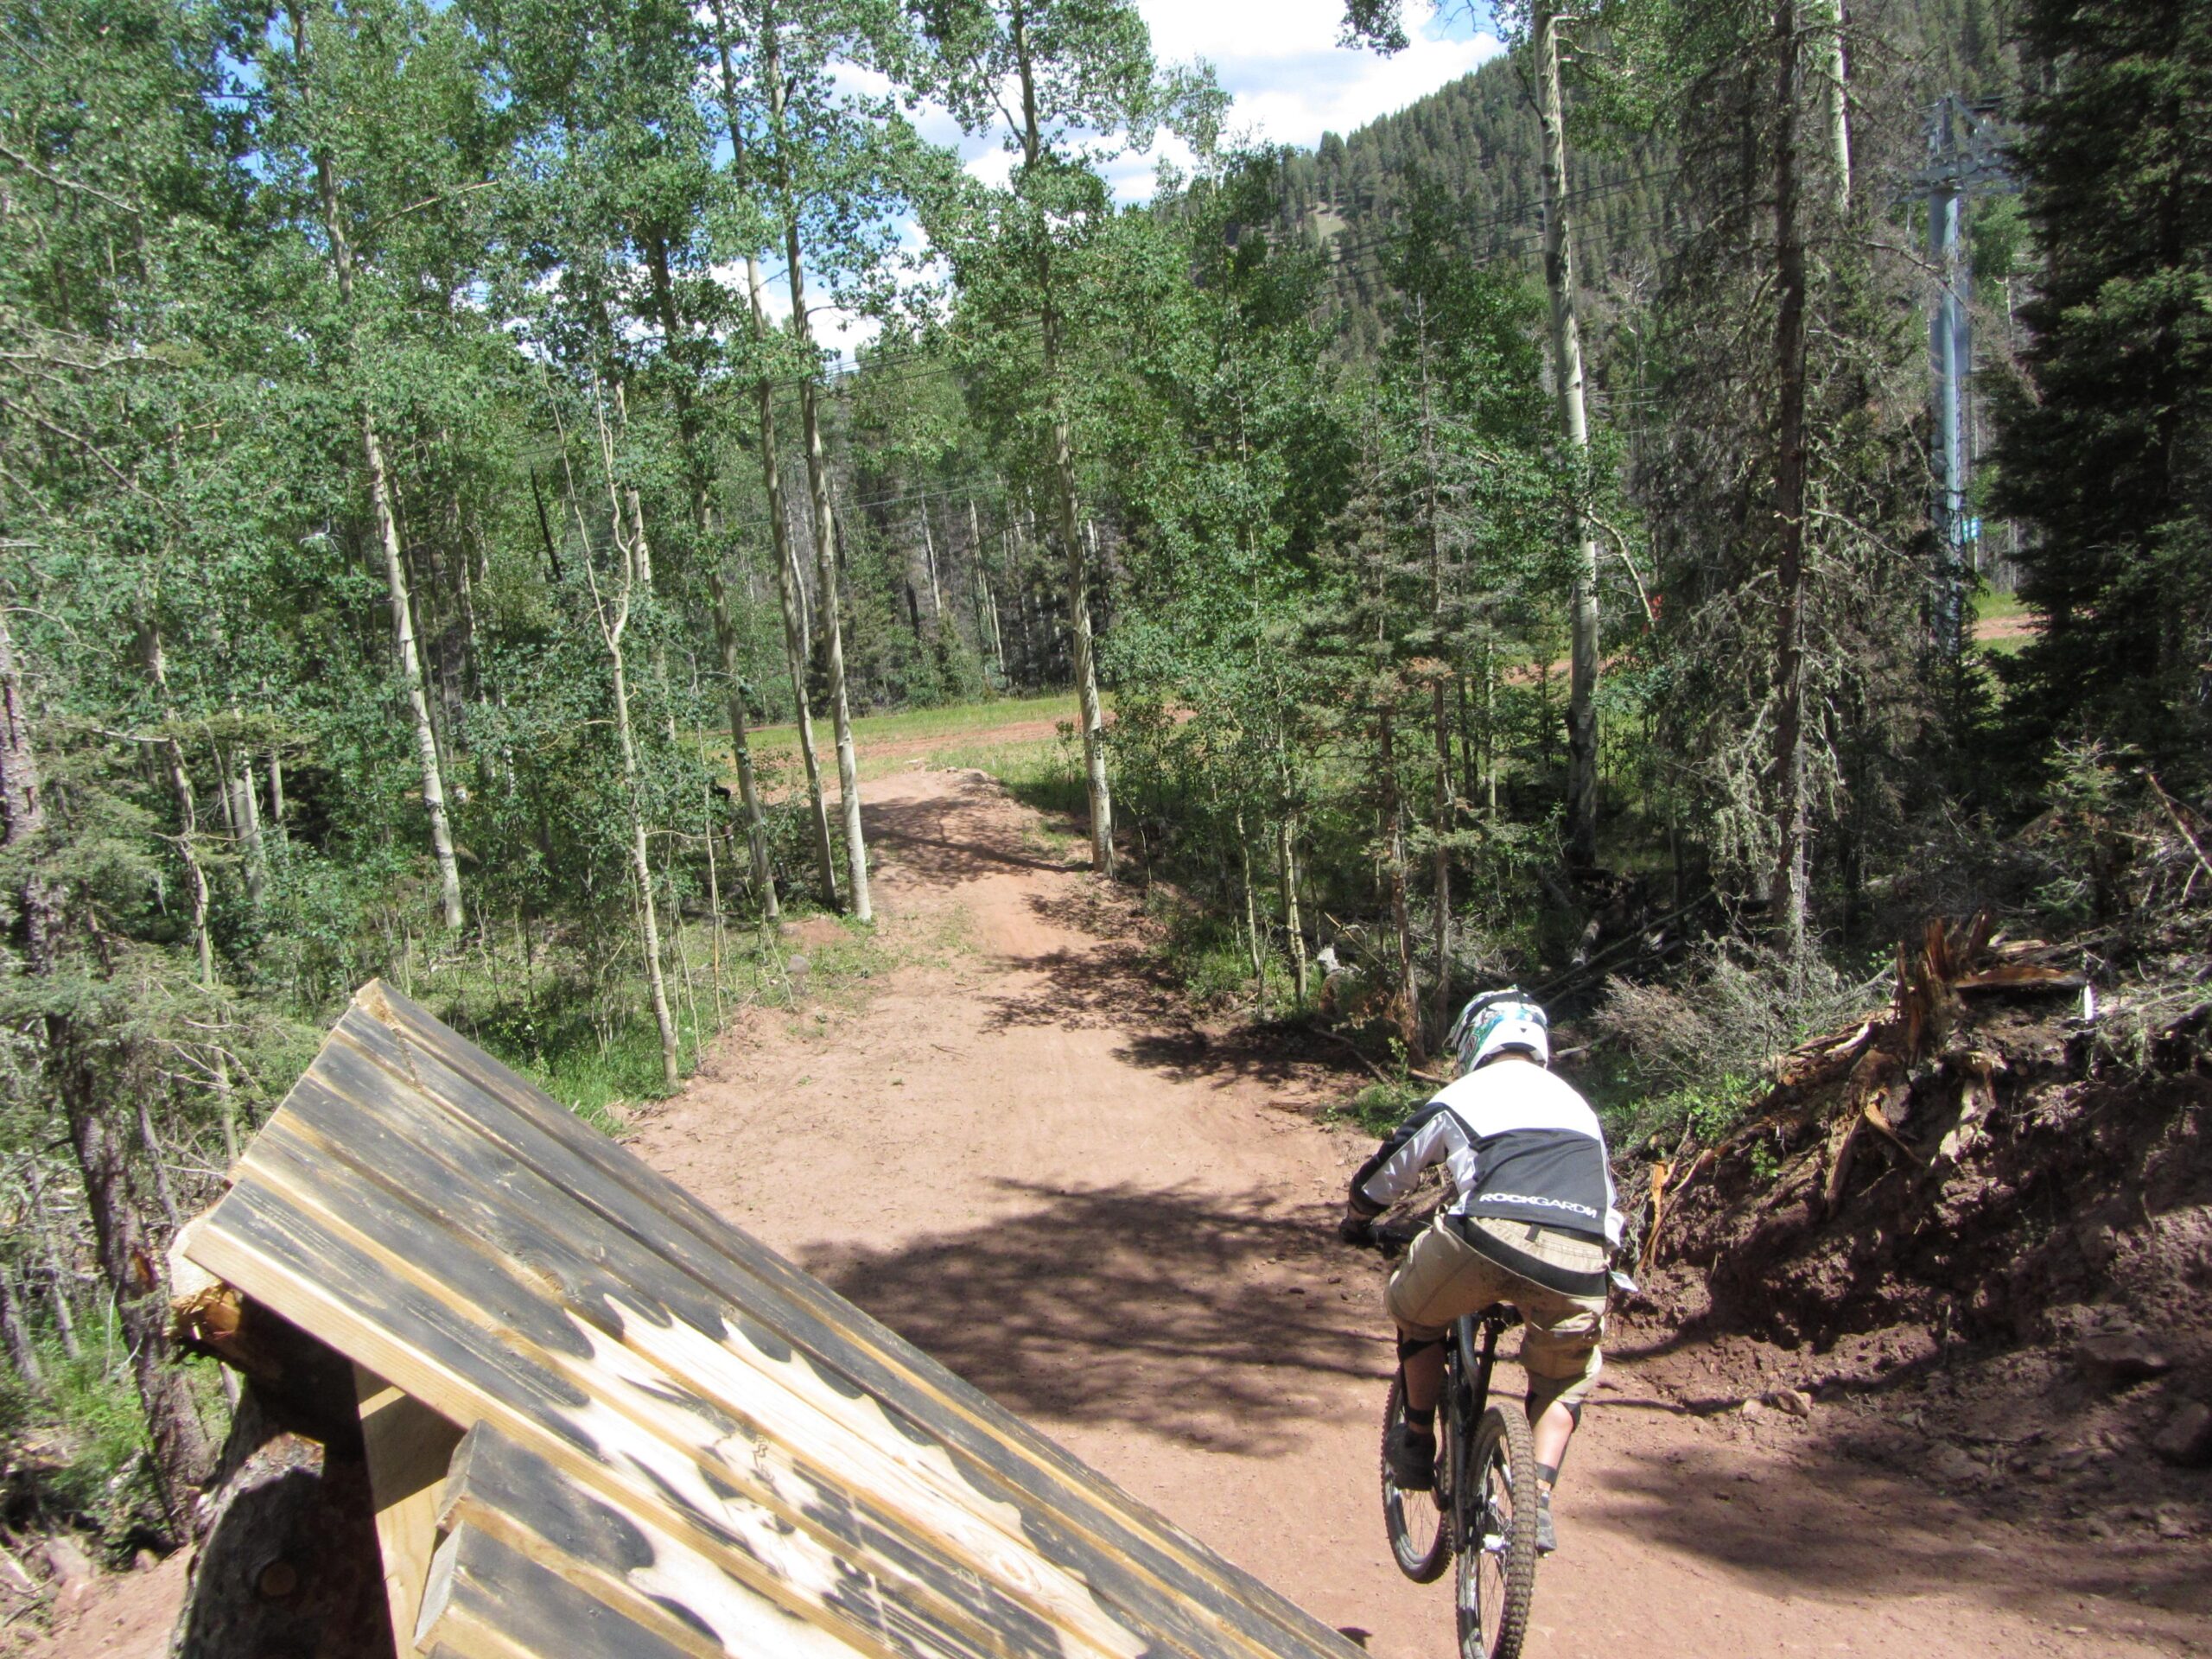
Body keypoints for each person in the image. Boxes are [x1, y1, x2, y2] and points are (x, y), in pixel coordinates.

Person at [1339, 989, 1620, 1554]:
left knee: (1413, 1311)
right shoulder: (1581, 1110)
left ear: (1476, 1040)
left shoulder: (1465, 1092)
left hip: (1483, 1238)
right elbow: (1608, 1205)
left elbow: (1389, 1172)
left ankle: (1417, 1442)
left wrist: (1357, 1218)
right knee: (1565, 1379)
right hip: (1582, 1255)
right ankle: (1534, 1502)